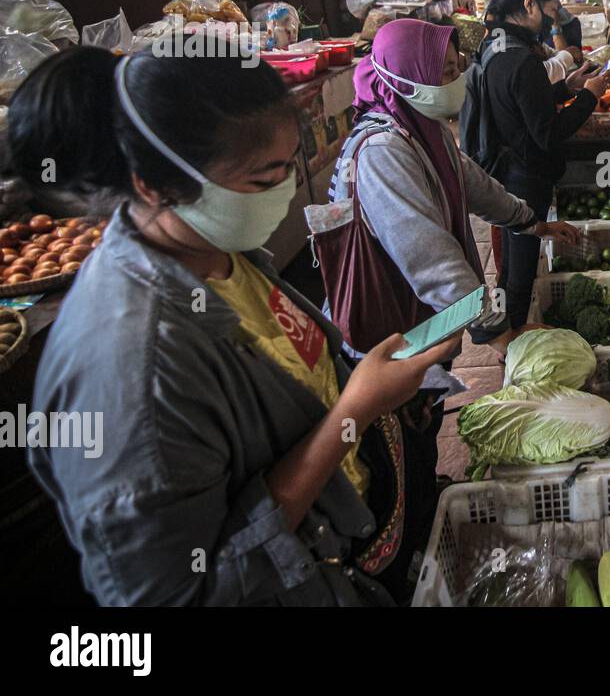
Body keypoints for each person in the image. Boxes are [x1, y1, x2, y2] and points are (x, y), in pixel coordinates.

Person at [10, 45, 459, 606]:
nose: (287, 191)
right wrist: (353, 412)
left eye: (289, 167)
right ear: (154, 184)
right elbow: (178, 593)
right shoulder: (132, 368)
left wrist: (358, 386)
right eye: (263, 179)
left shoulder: (215, 249)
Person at [328, 17, 580, 426]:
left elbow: (475, 186)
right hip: (389, 330)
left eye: (456, 64)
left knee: (427, 406)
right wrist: (498, 334)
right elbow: (431, 259)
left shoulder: (423, 129)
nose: (459, 76)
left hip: (425, 318)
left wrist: (532, 223)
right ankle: (419, 488)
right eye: (445, 71)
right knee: (399, 429)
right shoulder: (382, 153)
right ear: (409, 79)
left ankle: (427, 477)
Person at [461, 0, 610, 330]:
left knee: (513, 257)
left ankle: (506, 323)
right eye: (551, 9)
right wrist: (589, 97)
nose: (554, 18)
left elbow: (520, 103)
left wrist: (566, 86)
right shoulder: (521, 60)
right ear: (529, 4)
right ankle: (511, 336)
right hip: (525, 174)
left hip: (505, 165)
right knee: (522, 264)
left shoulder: (495, 44)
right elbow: (547, 132)